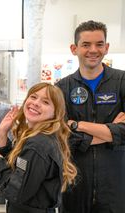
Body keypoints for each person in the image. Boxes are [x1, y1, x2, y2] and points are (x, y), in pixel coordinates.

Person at [0, 82, 77, 213]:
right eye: (33, 97)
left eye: (46, 102)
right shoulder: (38, 137)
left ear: (55, 113)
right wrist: (2, 133)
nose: (36, 103)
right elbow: (16, 172)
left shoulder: (37, 145)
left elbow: (14, 192)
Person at [56, 20, 125, 213]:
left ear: (107, 47)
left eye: (99, 44)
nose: (93, 50)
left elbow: (71, 130)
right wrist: (110, 132)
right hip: (74, 186)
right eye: (86, 44)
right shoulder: (62, 89)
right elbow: (61, 136)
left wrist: (77, 125)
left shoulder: (122, 82)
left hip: (116, 186)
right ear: (74, 48)